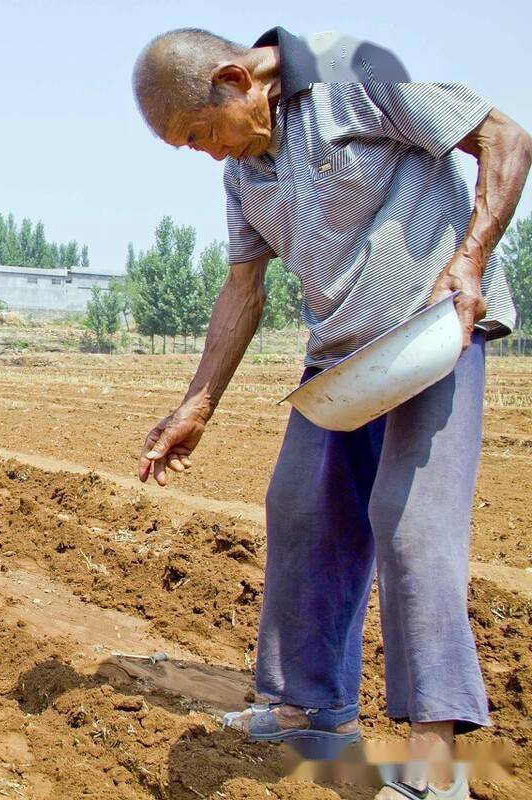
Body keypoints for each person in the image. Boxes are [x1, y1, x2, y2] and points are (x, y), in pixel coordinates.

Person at [131, 27, 529, 800]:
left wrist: (472, 257)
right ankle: (312, 709)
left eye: (200, 134)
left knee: (412, 524)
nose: (208, 155)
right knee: (301, 508)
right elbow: (243, 289)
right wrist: (196, 406)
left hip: (431, 334)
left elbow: (504, 136)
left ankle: (435, 766)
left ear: (234, 81)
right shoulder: (244, 172)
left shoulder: (351, 74)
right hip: (342, 359)